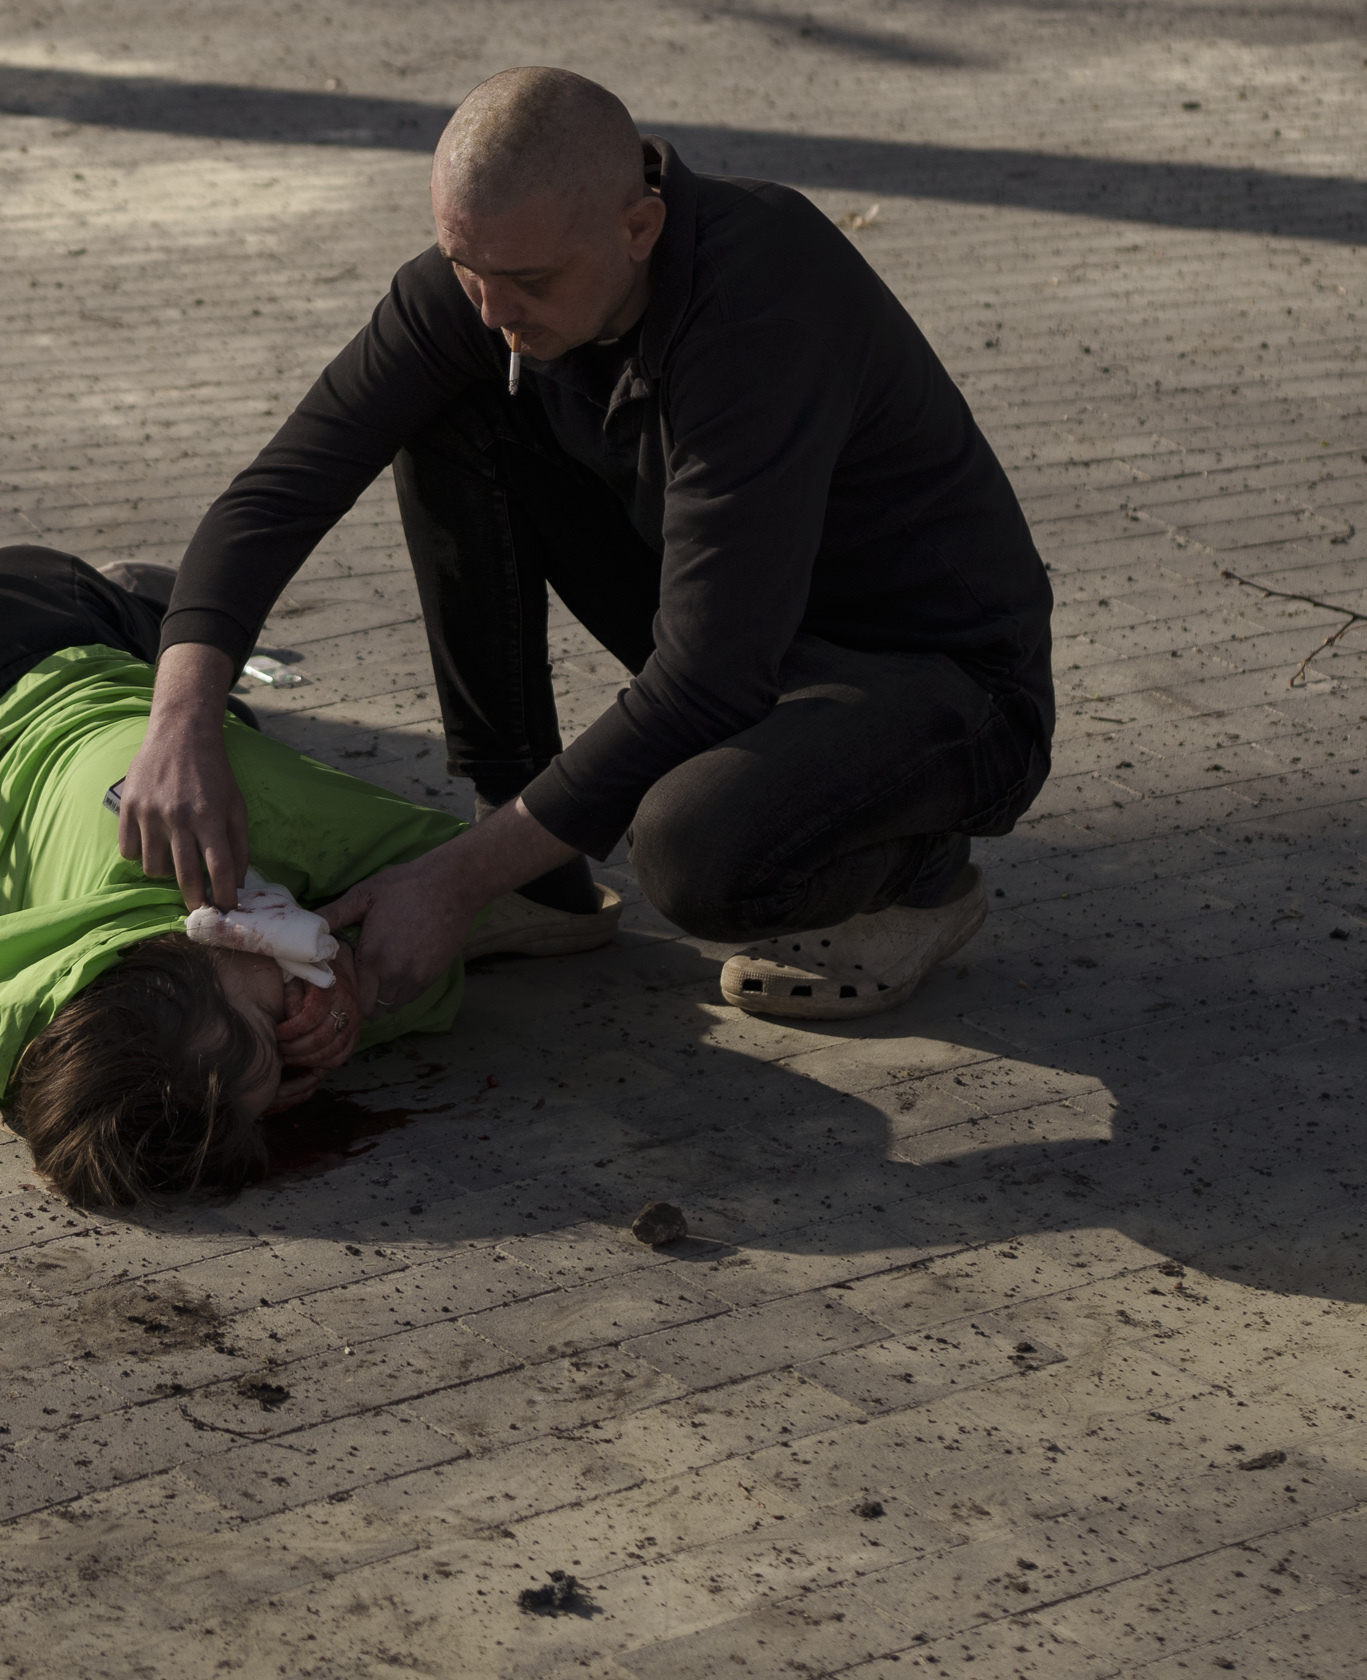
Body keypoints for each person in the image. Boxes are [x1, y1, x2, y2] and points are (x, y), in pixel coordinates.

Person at [116, 66, 1053, 1025]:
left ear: (638, 228)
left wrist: (446, 882)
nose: (489, 308)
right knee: (454, 405)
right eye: (466, 268)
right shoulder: (493, 277)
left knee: (698, 850)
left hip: (941, 685)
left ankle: (920, 872)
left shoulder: (761, 300)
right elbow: (283, 489)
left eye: (526, 280)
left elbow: (707, 679)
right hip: (752, 636)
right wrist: (181, 718)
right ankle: (530, 861)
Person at [0, 544, 481, 1211]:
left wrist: (358, 978)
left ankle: (144, 593)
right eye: (288, 1055)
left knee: (210, 697)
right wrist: (352, 987)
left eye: (267, 1019)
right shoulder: (27, 1016)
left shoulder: (237, 805)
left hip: (24, 612)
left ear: (205, 941)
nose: (294, 1025)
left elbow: (475, 874)